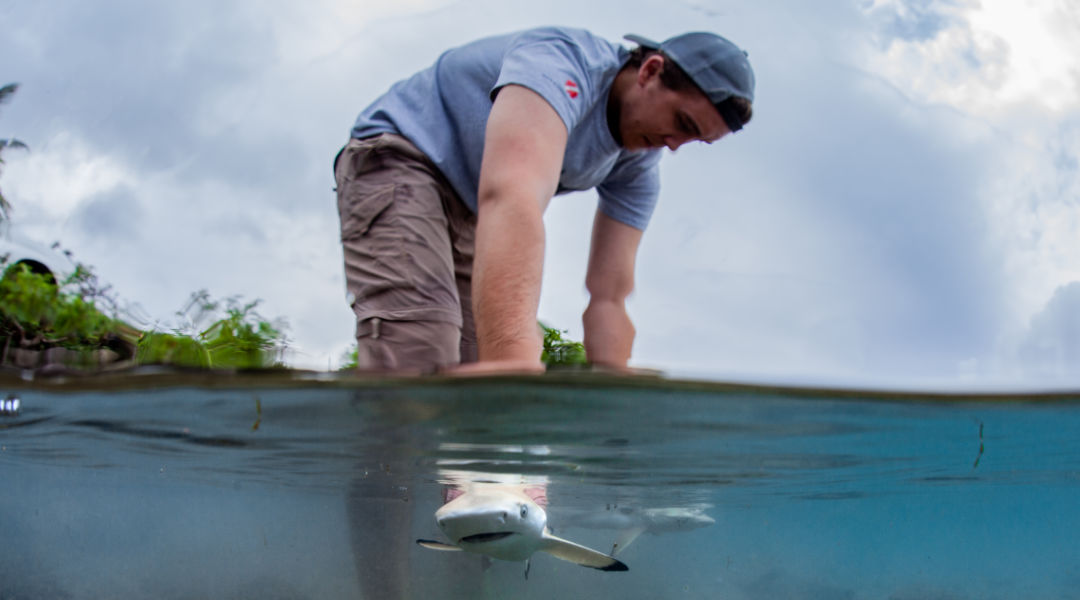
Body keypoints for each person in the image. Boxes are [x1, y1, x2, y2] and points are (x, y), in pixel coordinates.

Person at [335, 26, 754, 375]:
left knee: (469, 365)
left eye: (694, 139)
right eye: (682, 123)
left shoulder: (638, 164)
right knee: (423, 346)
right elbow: (512, 195)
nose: (674, 145)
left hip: (471, 210)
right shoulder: (560, 64)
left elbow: (609, 295)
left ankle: (439, 474)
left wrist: (613, 402)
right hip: (401, 156)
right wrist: (513, 366)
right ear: (650, 70)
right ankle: (383, 474)